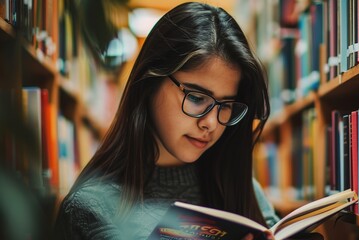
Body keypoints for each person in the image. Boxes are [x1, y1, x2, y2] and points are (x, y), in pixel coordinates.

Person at [54, 2, 322, 240]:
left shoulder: (240, 186)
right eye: (196, 98)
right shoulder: (90, 210)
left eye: (226, 105)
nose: (211, 123)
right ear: (150, 81)